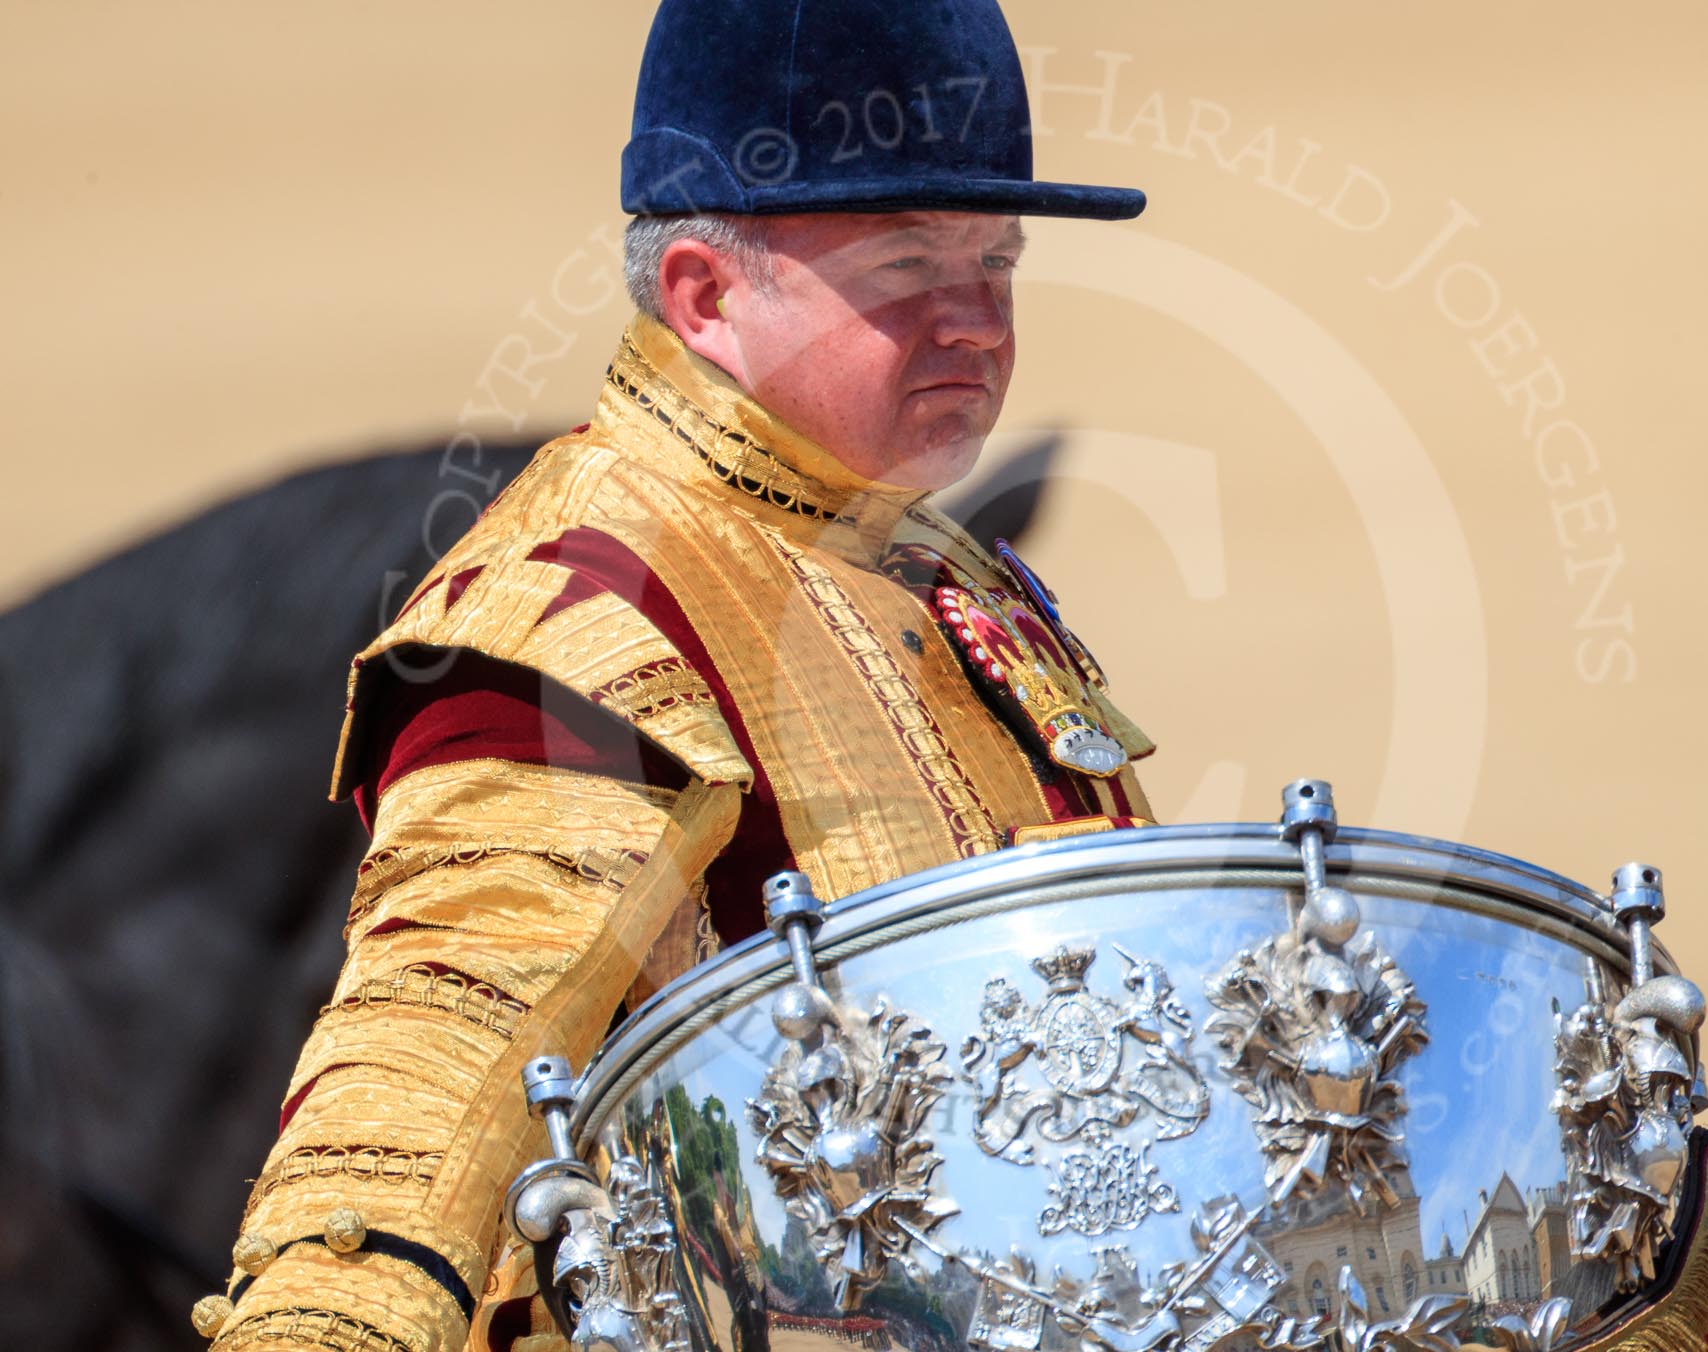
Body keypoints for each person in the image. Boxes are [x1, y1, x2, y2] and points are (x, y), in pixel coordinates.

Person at [194, 2, 1158, 1348]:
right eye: (905, 266)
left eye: (997, 263)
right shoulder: (580, 610)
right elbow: (419, 1102)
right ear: (707, 295)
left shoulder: (929, 558)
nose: (979, 326)